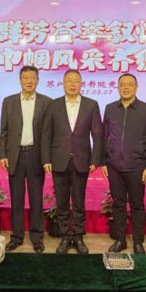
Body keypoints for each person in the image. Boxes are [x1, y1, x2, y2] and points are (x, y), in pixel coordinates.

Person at [42, 69, 103, 254]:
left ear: (81, 83)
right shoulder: (53, 105)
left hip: (81, 160)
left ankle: (78, 236)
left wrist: (95, 159)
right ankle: (65, 237)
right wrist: (46, 158)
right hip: (58, 160)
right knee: (61, 202)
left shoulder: (91, 105)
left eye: (76, 81)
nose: (72, 84)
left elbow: (98, 135)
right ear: (63, 84)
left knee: (78, 202)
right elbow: (46, 134)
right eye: (69, 81)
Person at [102, 73, 146, 254]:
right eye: (122, 84)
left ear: (136, 86)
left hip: (137, 167)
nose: (126, 87)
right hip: (114, 166)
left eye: (129, 84)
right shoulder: (110, 108)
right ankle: (120, 240)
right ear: (118, 87)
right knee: (118, 205)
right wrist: (104, 162)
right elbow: (104, 137)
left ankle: (137, 242)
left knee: (137, 205)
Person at [0, 66, 51, 253]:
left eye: (32, 78)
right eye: (25, 77)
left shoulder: (47, 102)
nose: (29, 81)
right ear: (20, 80)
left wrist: (47, 158)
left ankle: (37, 237)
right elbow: (4, 131)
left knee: (36, 199)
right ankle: (17, 237)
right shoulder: (8, 101)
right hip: (16, 155)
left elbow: (48, 133)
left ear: (38, 80)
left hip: (36, 155)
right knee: (17, 199)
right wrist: (3, 154)